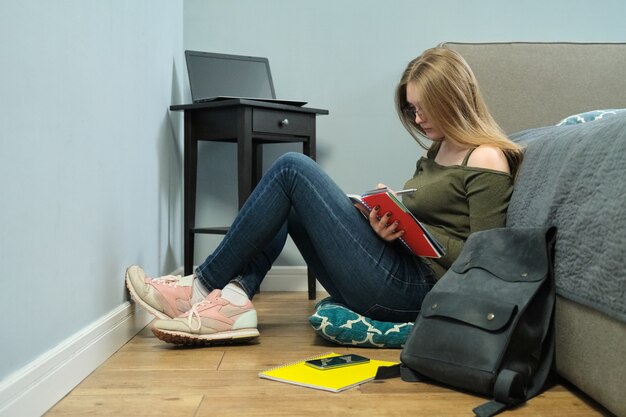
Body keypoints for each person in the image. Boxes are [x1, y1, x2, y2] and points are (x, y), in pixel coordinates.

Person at [125, 47, 523, 345]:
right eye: (412, 109)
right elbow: (428, 222)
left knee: (293, 169)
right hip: (396, 268)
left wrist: (415, 234)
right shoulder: (437, 151)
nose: (417, 119)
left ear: (453, 99)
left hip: (417, 289)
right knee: (290, 202)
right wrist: (387, 221)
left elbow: (488, 261)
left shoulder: (486, 158)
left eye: (424, 108)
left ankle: (199, 288)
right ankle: (232, 300)